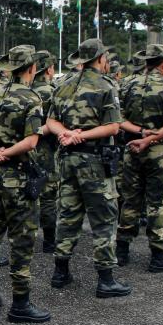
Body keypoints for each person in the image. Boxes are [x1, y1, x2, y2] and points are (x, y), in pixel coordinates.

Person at [0, 45, 51, 322]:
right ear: (32, 68)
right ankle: (20, 303)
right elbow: (31, 141)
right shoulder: (31, 97)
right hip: (18, 176)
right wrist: (6, 153)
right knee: (22, 240)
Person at [45, 39, 131, 297]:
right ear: (101, 58)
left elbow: (50, 121)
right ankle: (106, 279)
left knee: (68, 214)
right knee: (104, 218)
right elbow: (113, 127)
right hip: (94, 161)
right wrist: (80, 135)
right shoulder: (106, 86)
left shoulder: (64, 84)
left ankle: (60, 272)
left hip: (67, 159)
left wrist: (66, 134)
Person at [116, 43, 163, 272]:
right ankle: (157, 255)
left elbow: (117, 119)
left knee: (130, 200)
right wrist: (150, 138)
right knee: (158, 202)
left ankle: (122, 250)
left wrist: (139, 132)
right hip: (158, 151)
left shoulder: (127, 84)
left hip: (131, 148)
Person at [30, 50, 58, 254]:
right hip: (46, 150)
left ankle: (27, 237)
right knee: (48, 195)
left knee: (27, 194)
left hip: (24, 149)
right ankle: (49, 241)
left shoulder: (25, 91)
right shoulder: (51, 92)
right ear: (48, 69)